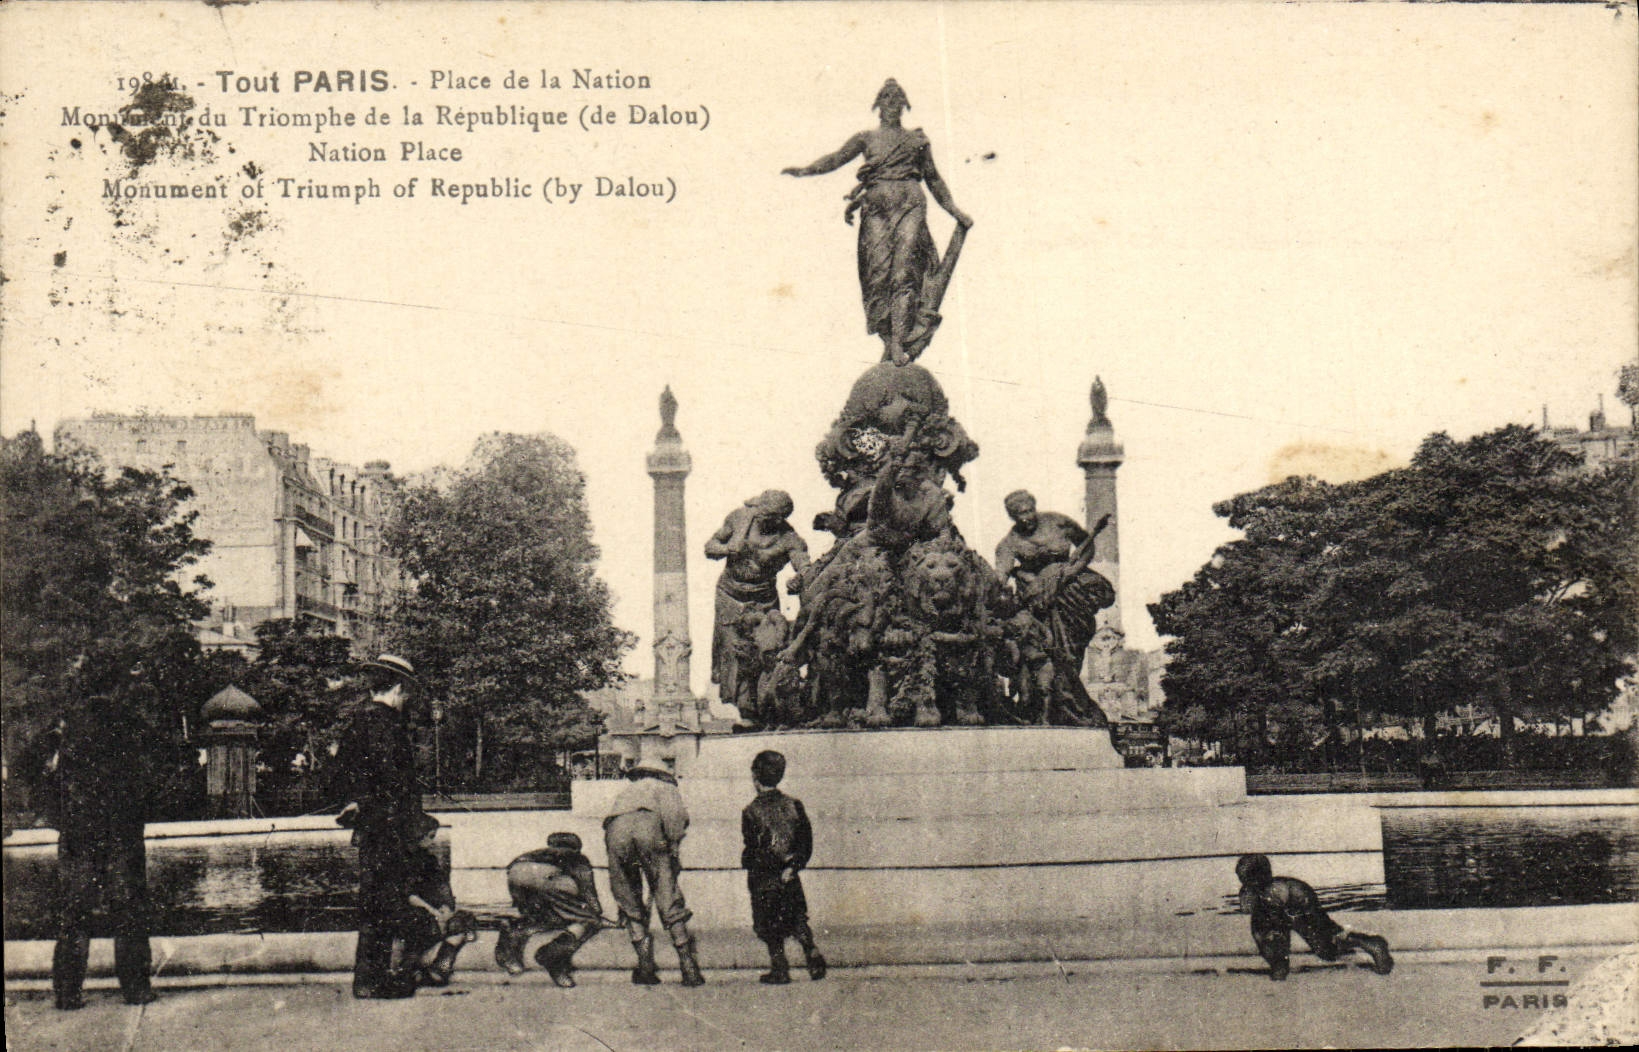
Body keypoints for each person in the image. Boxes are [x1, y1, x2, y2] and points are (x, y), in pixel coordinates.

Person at [784, 78, 973, 365]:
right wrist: (806, 170)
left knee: (904, 273)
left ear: (905, 105)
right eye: (886, 98)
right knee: (877, 277)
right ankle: (889, 340)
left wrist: (954, 211)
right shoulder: (866, 138)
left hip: (910, 204)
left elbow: (933, 178)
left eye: (897, 98)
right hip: (876, 211)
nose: (892, 102)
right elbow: (836, 158)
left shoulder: (917, 140)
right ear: (877, 105)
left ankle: (897, 344)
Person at [34, 656, 158, 1010]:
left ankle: (68, 991)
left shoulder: (65, 722)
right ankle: (136, 988)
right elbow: (158, 768)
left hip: (78, 828)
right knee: (130, 909)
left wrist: (58, 811)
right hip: (121, 827)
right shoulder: (130, 721)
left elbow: (34, 766)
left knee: (74, 912)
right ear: (118, 686)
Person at [333, 653, 425, 999]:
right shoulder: (387, 725)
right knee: (385, 902)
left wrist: (356, 803)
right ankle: (374, 980)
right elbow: (394, 780)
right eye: (407, 696)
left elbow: (339, 774)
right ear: (398, 688)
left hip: (370, 828)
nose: (407, 702)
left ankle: (368, 978)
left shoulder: (357, 721)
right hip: (389, 828)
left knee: (373, 902)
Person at [994, 491, 1113, 726]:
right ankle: (1067, 707)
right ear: (1012, 517)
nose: (1026, 518)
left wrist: (1073, 570)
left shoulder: (1059, 522)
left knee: (1073, 649)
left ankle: (1068, 706)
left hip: (1073, 591)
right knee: (1059, 653)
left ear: (1034, 507)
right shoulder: (1009, 544)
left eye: (1029, 511)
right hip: (1044, 602)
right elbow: (1000, 576)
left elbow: (1086, 546)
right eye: (1019, 515)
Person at [706, 491, 811, 728]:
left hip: (763, 599)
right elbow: (710, 547)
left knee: (764, 652)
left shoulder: (789, 539)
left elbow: (804, 564)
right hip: (729, 597)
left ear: (780, 519)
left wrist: (800, 577)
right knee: (736, 654)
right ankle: (747, 712)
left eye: (770, 517)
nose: (762, 519)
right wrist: (727, 550)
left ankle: (766, 708)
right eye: (761, 513)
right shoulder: (739, 518)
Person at [603, 759, 705, 986]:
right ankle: (688, 968)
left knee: (628, 896)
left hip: (615, 832)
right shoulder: (665, 788)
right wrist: (674, 849)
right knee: (667, 895)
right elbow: (675, 821)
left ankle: (645, 966)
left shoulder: (628, 791)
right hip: (649, 829)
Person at [1235, 853, 1394, 981]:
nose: (1245, 883)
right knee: (1267, 935)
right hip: (1284, 911)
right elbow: (1254, 913)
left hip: (1300, 906)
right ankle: (1279, 965)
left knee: (1327, 948)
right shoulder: (1254, 892)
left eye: (1248, 879)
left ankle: (1371, 943)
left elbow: (1276, 918)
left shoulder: (1277, 890)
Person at [741, 751, 827, 984]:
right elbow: (805, 842)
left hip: (764, 876)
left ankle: (779, 968)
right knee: (797, 917)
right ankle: (810, 950)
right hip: (790, 872)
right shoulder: (794, 805)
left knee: (768, 924)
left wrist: (747, 861)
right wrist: (794, 866)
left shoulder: (751, 811)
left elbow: (752, 847)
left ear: (755, 776)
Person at [495, 831, 610, 988]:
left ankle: (511, 937)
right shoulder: (578, 858)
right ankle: (552, 954)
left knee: (543, 917)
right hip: (548, 879)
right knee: (590, 921)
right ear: (576, 848)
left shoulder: (535, 853)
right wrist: (595, 911)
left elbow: (512, 871)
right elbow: (589, 892)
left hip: (516, 874)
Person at [400, 813, 477, 988]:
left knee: (463, 921)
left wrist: (446, 907)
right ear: (417, 834)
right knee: (420, 923)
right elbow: (408, 895)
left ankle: (439, 969)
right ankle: (413, 969)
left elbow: (441, 886)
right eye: (430, 837)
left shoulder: (429, 859)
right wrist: (434, 912)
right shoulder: (403, 860)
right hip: (416, 910)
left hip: (433, 910)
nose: (432, 841)